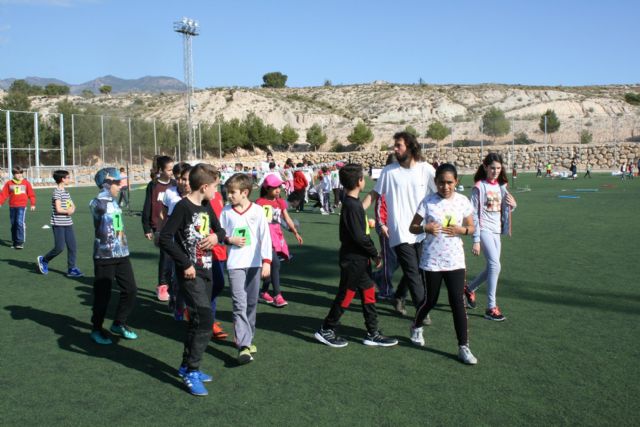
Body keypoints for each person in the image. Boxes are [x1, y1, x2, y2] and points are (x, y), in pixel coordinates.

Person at [159, 163, 226, 396]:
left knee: (198, 321)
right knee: (205, 318)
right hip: (190, 273)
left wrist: (217, 238)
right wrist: (185, 263)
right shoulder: (182, 207)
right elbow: (165, 238)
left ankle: (186, 365)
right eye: (215, 187)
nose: (217, 192)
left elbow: (221, 231)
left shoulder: (207, 207)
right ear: (205, 186)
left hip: (206, 270)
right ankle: (191, 372)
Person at [314, 163, 398, 348]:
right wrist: (375, 253)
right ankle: (326, 329)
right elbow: (360, 237)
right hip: (353, 260)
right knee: (346, 294)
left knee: (368, 293)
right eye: (363, 176)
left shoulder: (351, 203)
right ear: (360, 181)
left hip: (360, 259)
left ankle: (372, 332)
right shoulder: (352, 206)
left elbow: (359, 226)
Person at [363, 131, 437, 323]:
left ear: (411, 147)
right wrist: (355, 209)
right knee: (413, 271)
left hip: (422, 231)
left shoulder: (426, 169)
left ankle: (399, 296)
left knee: (420, 269)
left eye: (399, 146)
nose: (395, 149)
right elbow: (375, 194)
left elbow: (440, 194)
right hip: (399, 232)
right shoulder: (389, 171)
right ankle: (423, 310)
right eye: (394, 146)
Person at [408, 163, 477, 364]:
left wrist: (461, 230)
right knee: (431, 300)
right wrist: (425, 228)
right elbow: (412, 227)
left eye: (449, 182)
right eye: (441, 183)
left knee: (457, 302)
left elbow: (472, 227)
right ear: (435, 182)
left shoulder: (463, 201)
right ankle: (416, 326)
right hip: (432, 260)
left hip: (455, 260)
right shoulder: (427, 201)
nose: (445, 187)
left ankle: (463, 347)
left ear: (456, 182)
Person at [219, 173, 272, 365]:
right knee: (238, 303)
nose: (229, 196)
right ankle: (243, 345)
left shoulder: (257, 210)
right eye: (228, 192)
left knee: (251, 303)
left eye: (232, 193)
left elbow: (265, 236)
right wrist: (228, 239)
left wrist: (267, 261)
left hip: (255, 264)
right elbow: (220, 233)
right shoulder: (225, 211)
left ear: (245, 192)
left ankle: (248, 338)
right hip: (235, 264)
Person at [464, 153, 517, 321]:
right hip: (484, 230)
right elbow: (473, 214)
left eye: (498, 168)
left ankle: (469, 289)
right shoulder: (479, 187)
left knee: (492, 267)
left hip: (496, 231)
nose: (495, 171)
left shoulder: (501, 187)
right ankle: (491, 307)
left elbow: (504, 210)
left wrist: (513, 206)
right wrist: (476, 240)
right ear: (485, 167)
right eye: (492, 168)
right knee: (495, 265)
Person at [89, 167, 138, 345]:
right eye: (117, 183)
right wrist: (106, 188)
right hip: (104, 256)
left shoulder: (114, 201)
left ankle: (119, 323)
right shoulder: (98, 202)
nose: (121, 185)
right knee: (103, 295)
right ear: (107, 184)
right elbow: (98, 210)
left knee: (131, 290)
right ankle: (96, 329)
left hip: (121, 253)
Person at [256, 174, 303, 308]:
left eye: (279, 187)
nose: (278, 190)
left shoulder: (280, 202)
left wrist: (295, 232)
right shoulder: (259, 203)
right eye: (275, 187)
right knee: (275, 264)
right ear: (267, 188)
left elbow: (287, 218)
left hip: (276, 236)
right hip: (264, 237)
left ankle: (263, 291)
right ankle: (277, 295)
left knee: (272, 266)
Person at [37, 170, 83, 278]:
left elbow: (72, 205)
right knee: (59, 247)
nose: (69, 179)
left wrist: (72, 209)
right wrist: (68, 211)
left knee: (73, 246)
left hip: (68, 223)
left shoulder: (66, 192)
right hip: (58, 223)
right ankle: (44, 260)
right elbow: (58, 209)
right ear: (62, 179)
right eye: (68, 177)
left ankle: (71, 268)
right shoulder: (57, 192)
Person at [142, 155, 175, 302]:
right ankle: (162, 285)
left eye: (173, 169)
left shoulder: (175, 184)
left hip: (175, 226)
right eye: (169, 170)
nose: (171, 172)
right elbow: (147, 206)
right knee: (165, 256)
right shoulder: (153, 185)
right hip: (160, 227)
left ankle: (173, 285)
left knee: (175, 257)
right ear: (161, 170)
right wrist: (147, 227)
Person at [372, 154, 399, 300]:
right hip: (386, 228)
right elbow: (379, 206)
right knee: (390, 259)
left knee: (399, 260)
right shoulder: (385, 183)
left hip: (399, 227)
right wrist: (382, 224)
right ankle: (385, 290)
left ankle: (377, 276)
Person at [208, 169, 230, 340]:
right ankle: (208, 321)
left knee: (217, 284)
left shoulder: (218, 196)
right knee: (215, 283)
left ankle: (209, 317)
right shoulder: (203, 199)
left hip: (220, 246)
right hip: (207, 248)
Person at [0, 165, 36, 249]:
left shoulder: (26, 183)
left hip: (22, 206)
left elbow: (31, 194)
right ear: (13, 174)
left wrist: (33, 204)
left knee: (19, 222)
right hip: (12, 206)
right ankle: (15, 241)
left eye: (21, 173)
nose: (19, 175)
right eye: (17, 173)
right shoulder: (9, 183)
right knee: (13, 224)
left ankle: (20, 242)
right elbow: (3, 194)